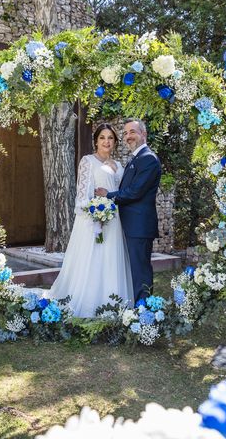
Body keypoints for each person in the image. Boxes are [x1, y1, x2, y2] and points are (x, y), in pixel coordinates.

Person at [47, 123, 134, 317]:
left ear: (115, 142)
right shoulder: (88, 161)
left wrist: (109, 210)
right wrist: (95, 213)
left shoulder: (119, 166)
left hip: (114, 221)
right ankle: (88, 304)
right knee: (93, 261)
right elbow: (82, 196)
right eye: (102, 137)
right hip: (93, 221)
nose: (106, 141)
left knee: (111, 260)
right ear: (96, 141)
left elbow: (121, 193)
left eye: (110, 138)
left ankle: (112, 305)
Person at [95, 119, 161, 303]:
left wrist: (109, 195)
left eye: (132, 132)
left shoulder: (148, 158)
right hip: (131, 225)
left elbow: (135, 191)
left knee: (140, 270)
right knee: (134, 269)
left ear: (144, 134)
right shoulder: (137, 158)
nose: (128, 136)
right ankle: (137, 306)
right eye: (125, 133)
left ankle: (144, 310)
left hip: (139, 226)